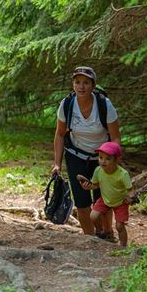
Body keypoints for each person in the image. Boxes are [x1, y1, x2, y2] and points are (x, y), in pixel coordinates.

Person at [51, 66, 120, 238]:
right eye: (77, 82)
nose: (81, 86)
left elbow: (116, 137)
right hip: (76, 156)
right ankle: (90, 239)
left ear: (93, 85)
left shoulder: (104, 105)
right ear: (73, 85)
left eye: (86, 83)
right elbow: (60, 134)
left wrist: (112, 161)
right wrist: (57, 164)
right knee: (82, 203)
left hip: (101, 158)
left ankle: (107, 233)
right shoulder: (67, 104)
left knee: (102, 200)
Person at [78, 142, 135, 247]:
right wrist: (88, 186)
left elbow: (130, 190)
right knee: (93, 216)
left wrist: (131, 197)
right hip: (105, 199)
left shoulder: (123, 174)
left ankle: (123, 246)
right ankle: (100, 233)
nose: (103, 161)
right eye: (100, 157)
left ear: (116, 160)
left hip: (120, 202)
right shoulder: (98, 170)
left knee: (119, 226)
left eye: (108, 159)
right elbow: (95, 185)